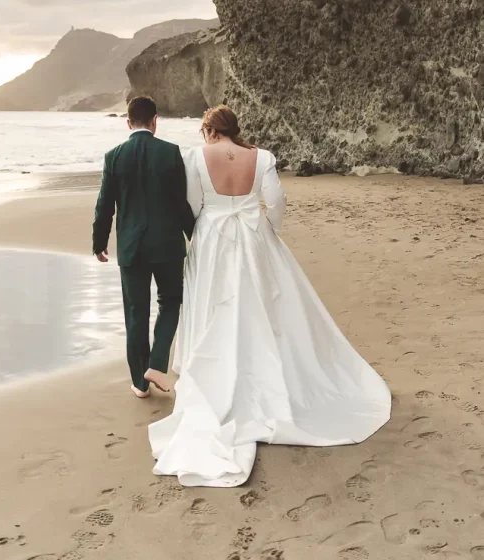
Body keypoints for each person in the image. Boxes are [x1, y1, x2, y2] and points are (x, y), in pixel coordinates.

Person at [149, 105, 391, 487]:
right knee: (261, 305)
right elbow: (276, 201)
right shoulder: (260, 157)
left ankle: (216, 372)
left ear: (210, 130)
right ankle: (262, 370)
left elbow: (193, 204)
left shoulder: (195, 157)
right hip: (252, 236)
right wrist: (270, 231)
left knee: (215, 306)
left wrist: (206, 223)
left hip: (212, 239)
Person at [92, 95, 196, 399]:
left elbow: (104, 207)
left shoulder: (113, 156)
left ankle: (140, 383)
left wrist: (99, 243)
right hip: (167, 245)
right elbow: (181, 204)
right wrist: (196, 237)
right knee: (172, 302)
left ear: (128, 123)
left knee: (136, 313)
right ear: (154, 122)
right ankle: (157, 362)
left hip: (131, 248)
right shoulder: (170, 153)